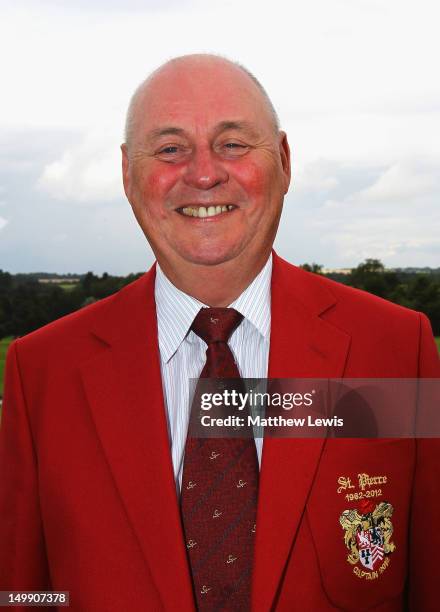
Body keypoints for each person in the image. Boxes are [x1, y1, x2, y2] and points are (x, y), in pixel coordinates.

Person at [0, 54, 439, 612]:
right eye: (169, 149)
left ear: (282, 160)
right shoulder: (42, 372)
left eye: (233, 143)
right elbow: (24, 593)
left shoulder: (396, 350)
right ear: (127, 175)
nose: (204, 173)